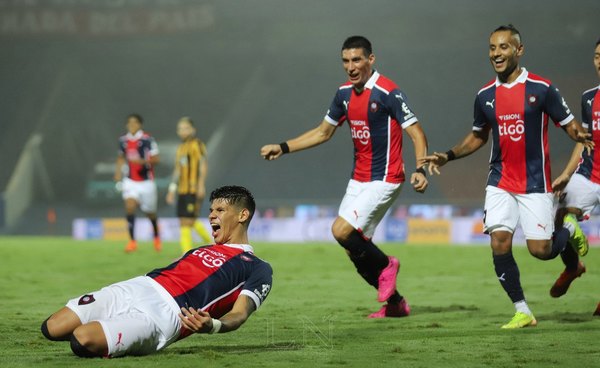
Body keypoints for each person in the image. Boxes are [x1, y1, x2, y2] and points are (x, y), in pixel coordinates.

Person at [422, 25, 593, 329]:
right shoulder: (485, 95)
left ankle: (567, 226)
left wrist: (580, 134)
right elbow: (478, 137)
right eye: (492, 48)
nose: (496, 54)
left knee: (541, 251)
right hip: (500, 180)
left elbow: (568, 124)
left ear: (518, 50)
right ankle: (522, 310)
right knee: (499, 242)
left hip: (534, 182)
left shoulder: (542, 89)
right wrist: (448, 155)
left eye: (503, 47)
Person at [260, 35, 429, 318]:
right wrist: (284, 147)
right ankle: (396, 305)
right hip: (358, 179)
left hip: (386, 177)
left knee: (340, 230)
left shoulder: (388, 92)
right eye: (346, 61)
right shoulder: (343, 94)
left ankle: (389, 265)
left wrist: (421, 168)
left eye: (357, 60)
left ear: (371, 59)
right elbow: (323, 132)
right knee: (354, 249)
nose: (351, 67)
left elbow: (417, 133)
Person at [40, 186, 272, 358]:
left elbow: (240, 314)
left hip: (166, 314)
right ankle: (111, 324)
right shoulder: (201, 248)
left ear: (243, 215)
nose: (211, 215)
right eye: (211, 210)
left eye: (220, 210)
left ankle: (114, 330)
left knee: (81, 340)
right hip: (140, 285)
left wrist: (213, 325)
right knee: (52, 327)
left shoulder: (257, 267)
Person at [550, 38, 600, 315]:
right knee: (556, 216)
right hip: (589, 174)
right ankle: (572, 267)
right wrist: (567, 174)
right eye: (596, 56)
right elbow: (583, 139)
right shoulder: (589, 98)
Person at [113, 114, 161, 253]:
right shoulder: (123, 140)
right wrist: (117, 173)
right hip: (130, 181)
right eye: (129, 123)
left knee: (150, 213)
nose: (131, 125)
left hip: (146, 182)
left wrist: (143, 162)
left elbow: (156, 159)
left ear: (140, 124)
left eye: (134, 122)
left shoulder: (147, 140)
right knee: (129, 206)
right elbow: (121, 158)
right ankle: (132, 242)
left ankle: (157, 237)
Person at [166, 117, 212, 253]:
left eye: (186, 128)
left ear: (193, 130)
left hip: (193, 188)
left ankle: (210, 245)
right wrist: (171, 189)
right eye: (180, 129)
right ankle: (186, 253)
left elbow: (203, 165)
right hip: (182, 189)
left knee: (189, 220)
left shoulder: (197, 145)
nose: (183, 131)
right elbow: (177, 170)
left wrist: (201, 185)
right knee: (184, 221)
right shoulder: (180, 148)